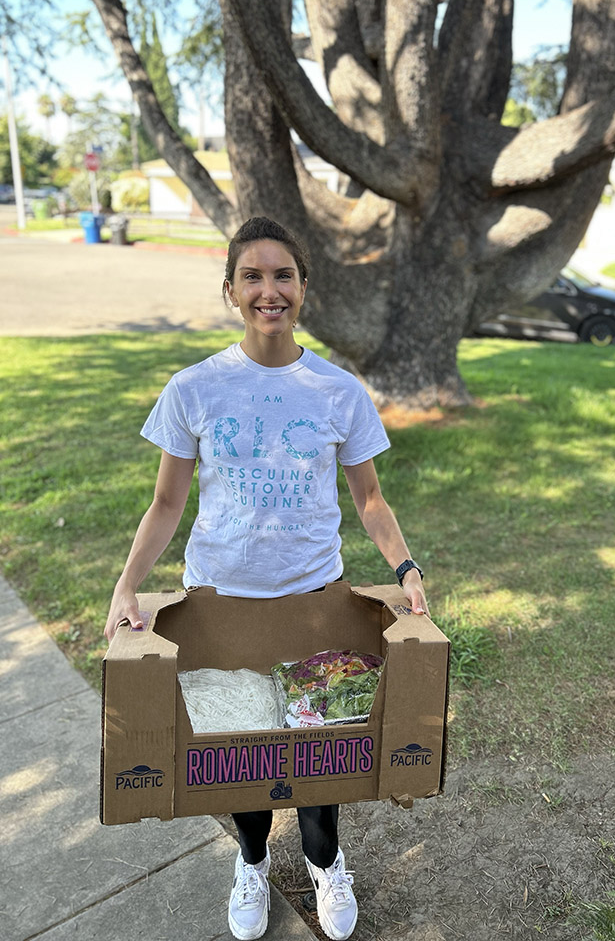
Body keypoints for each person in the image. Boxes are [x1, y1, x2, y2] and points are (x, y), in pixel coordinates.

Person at [104, 216, 427, 941]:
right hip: (222, 601)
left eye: (283, 275)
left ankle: (325, 862)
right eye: (253, 276)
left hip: (314, 600)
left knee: (318, 750)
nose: (268, 290)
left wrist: (405, 569)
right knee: (239, 752)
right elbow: (166, 503)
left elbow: (369, 500)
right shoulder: (195, 388)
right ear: (230, 291)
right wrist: (128, 585)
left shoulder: (338, 391)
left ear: (304, 288)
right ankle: (250, 861)